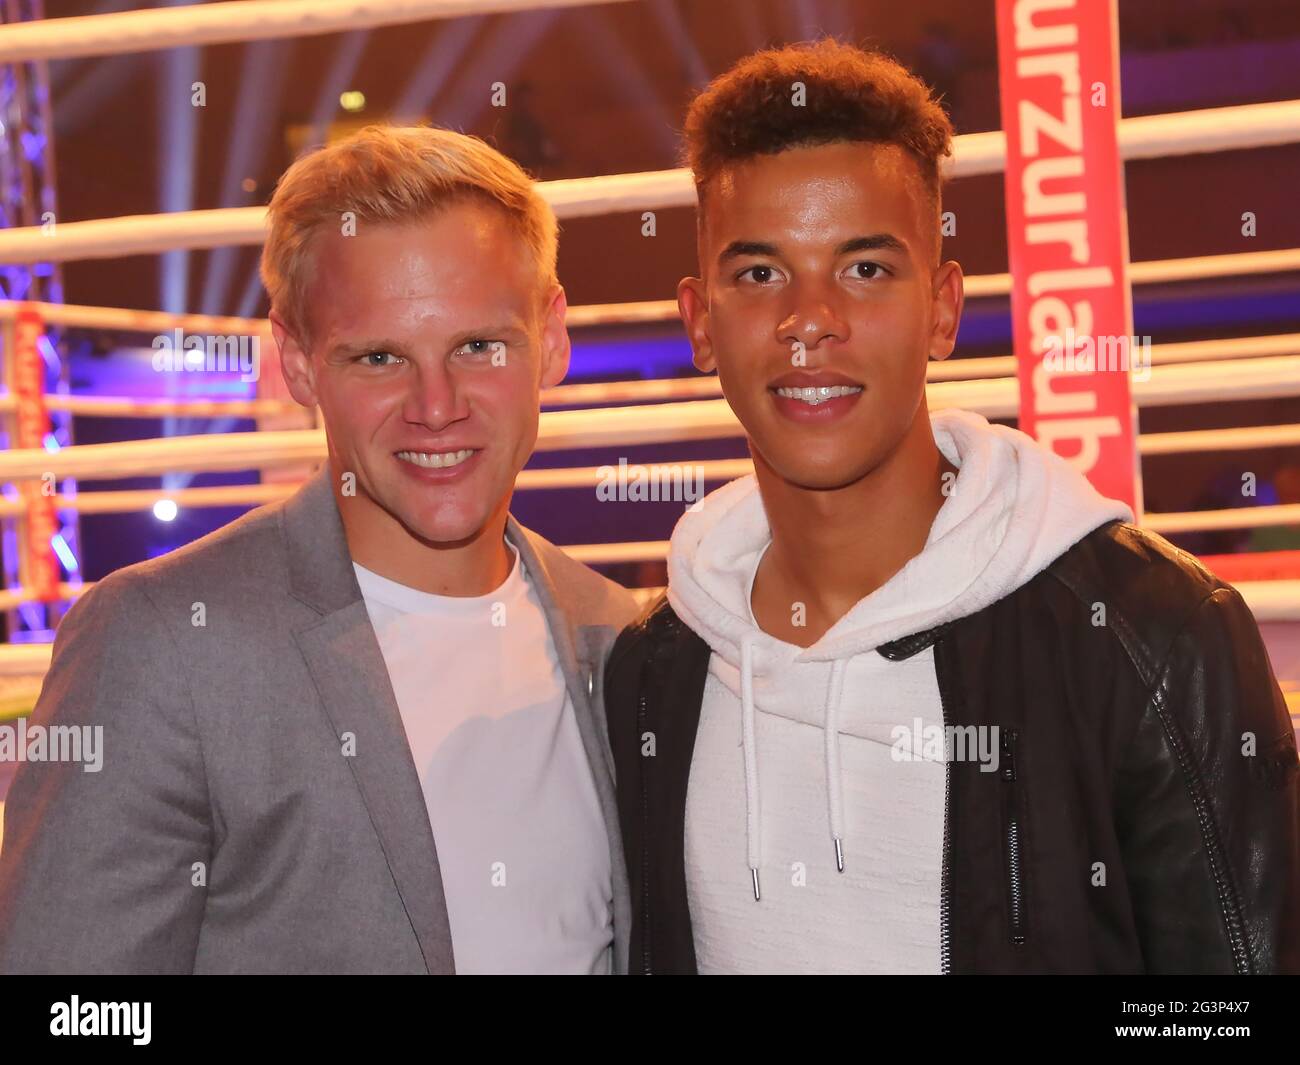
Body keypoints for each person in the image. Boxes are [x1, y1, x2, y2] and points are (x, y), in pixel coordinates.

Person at [603, 40, 1300, 974]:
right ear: (700, 321)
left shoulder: (1154, 636)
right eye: (761, 273)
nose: (811, 321)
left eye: (866, 269)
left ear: (942, 308)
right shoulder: (656, 668)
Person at [0, 125, 637, 974]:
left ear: (550, 337)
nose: (436, 405)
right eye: (378, 357)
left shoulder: (614, 632)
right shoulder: (162, 641)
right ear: (297, 363)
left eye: (478, 346)